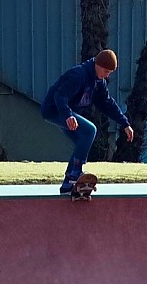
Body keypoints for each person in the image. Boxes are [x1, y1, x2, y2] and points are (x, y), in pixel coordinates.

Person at [41, 49, 135, 195]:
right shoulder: (79, 75)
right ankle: (76, 173)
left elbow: (107, 104)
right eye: (105, 71)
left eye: (110, 72)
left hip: (69, 114)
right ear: (97, 64)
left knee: (82, 141)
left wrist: (125, 123)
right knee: (90, 130)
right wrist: (68, 115)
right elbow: (60, 96)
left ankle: (68, 185)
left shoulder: (99, 83)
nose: (106, 75)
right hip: (54, 110)